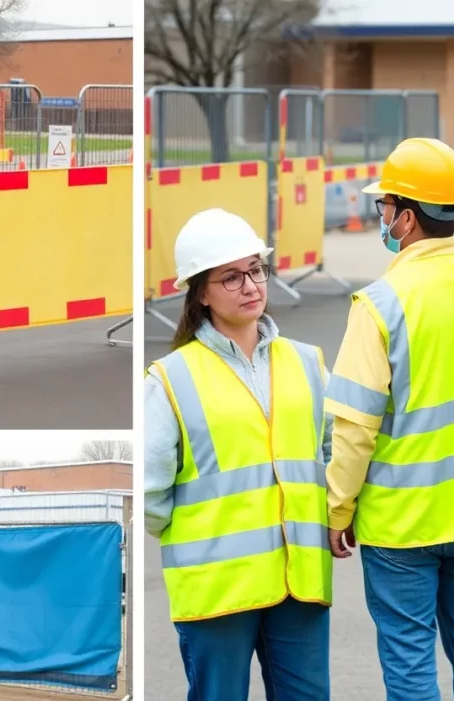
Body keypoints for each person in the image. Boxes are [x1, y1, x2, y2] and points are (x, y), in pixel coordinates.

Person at [323, 137, 454, 701]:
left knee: (409, 662)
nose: (379, 216)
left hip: (402, 522)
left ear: (406, 218)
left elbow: (354, 428)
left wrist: (338, 508)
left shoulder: (381, 302)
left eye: (383, 207)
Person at [143, 207, 335, 701]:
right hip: (217, 590)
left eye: (256, 270)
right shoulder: (171, 377)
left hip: (299, 580)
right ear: (200, 292)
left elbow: (333, 452)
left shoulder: (307, 362)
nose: (250, 285)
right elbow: (149, 488)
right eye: (231, 277)